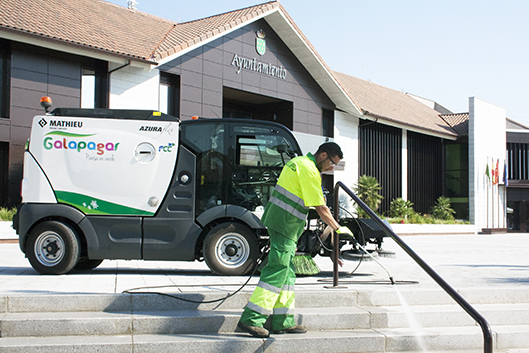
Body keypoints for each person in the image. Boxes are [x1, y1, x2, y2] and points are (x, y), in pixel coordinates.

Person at [237, 142, 353, 338]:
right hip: (284, 224)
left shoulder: (299, 162)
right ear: (323, 155)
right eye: (332, 163)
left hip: (284, 224)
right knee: (277, 269)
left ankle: (283, 321)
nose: (332, 168)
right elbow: (320, 207)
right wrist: (337, 227)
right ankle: (251, 318)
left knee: (288, 273)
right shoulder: (308, 170)